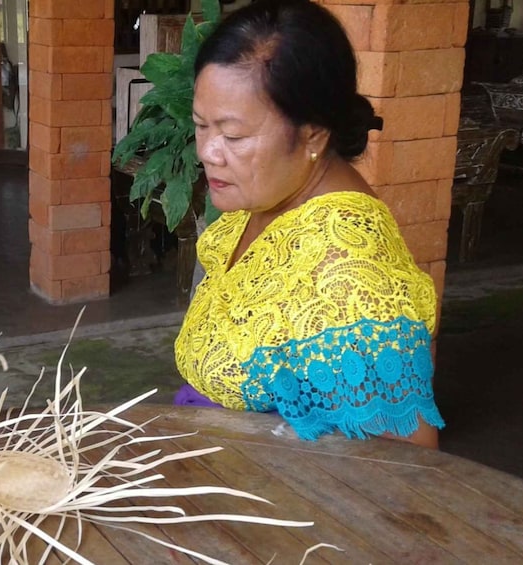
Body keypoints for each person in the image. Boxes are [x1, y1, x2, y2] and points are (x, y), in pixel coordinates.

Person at [173, 0, 445, 447]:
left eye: (234, 135)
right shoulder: (269, 196)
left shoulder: (350, 273)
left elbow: (403, 466)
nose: (208, 151)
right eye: (202, 126)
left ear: (312, 133)